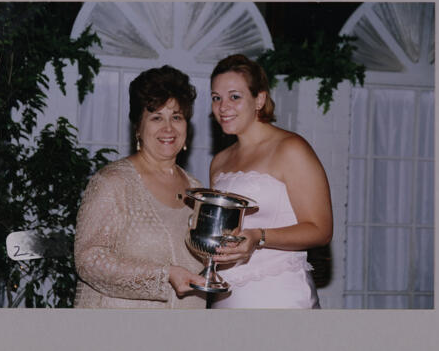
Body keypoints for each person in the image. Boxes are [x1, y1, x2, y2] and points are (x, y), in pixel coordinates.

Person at [74, 65, 207, 309]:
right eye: (156, 117)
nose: (168, 128)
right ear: (138, 127)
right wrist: (163, 274)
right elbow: (88, 260)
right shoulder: (112, 183)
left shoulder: (197, 190)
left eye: (176, 117)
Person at [208, 54, 333, 309]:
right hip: (226, 296)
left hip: (278, 294)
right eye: (216, 98)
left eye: (234, 96)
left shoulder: (291, 148)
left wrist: (259, 237)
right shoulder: (219, 162)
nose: (223, 107)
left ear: (259, 99)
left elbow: (321, 230)